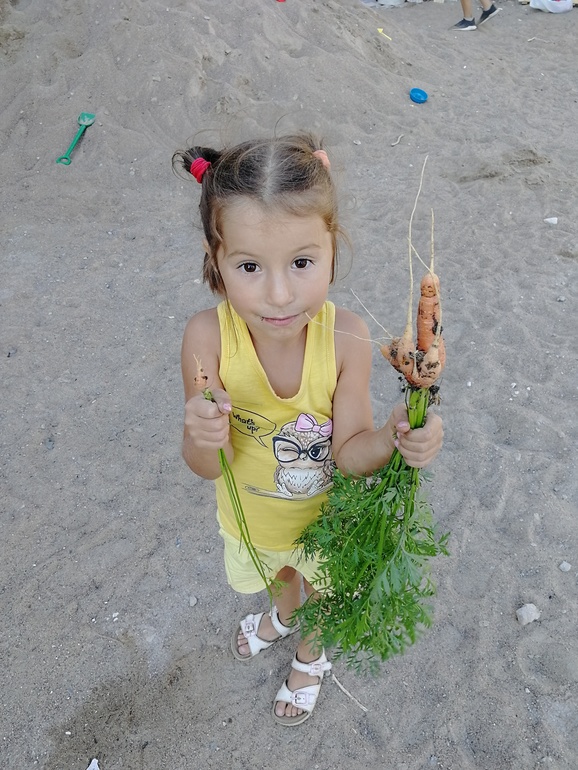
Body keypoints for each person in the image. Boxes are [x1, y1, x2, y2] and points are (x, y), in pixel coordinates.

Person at [173, 133, 443, 726]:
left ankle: (310, 653)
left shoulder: (346, 338)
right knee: (279, 577)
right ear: (215, 259)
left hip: (329, 524)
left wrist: (396, 435)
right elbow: (208, 467)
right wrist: (202, 436)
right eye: (249, 266)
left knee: (324, 587)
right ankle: (284, 615)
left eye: (302, 262)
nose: (279, 294)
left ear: (332, 248)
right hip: (253, 520)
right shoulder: (206, 338)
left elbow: (349, 453)